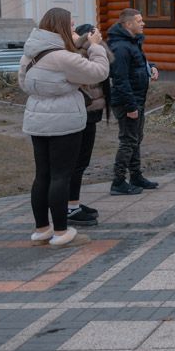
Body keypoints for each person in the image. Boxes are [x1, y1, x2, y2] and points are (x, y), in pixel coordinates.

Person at [19, 8, 110, 248]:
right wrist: (95, 46)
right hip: (64, 121)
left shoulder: (30, 54)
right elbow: (99, 72)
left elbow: (23, 83)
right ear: (59, 27)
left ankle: (42, 230)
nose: (73, 30)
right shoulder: (62, 57)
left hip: (37, 119)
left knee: (42, 176)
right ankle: (61, 232)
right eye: (70, 25)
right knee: (61, 176)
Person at [108, 9, 160, 195]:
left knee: (136, 139)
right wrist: (130, 106)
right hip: (127, 102)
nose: (143, 23)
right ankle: (118, 181)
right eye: (139, 20)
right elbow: (120, 79)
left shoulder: (131, 42)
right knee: (128, 141)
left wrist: (151, 67)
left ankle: (136, 176)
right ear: (128, 24)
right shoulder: (121, 47)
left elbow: (137, 64)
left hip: (137, 98)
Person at [66, 24, 110, 227]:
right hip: (81, 109)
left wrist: (96, 44)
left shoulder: (78, 46)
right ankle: (70, 208)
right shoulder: (68, 49)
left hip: (90, 110)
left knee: (81, 162)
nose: (74, 29)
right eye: (70, 25)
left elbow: (110, 62)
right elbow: (94, 73)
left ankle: (73, 203)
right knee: (74, 163)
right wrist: (90, 45)